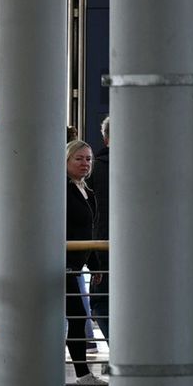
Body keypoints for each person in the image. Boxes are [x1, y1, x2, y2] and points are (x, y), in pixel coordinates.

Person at [64, 140, 109, 386]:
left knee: (78, 316)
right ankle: (82, 376)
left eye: (88, 159)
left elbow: (88, 232)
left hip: (76, 264)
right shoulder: (62, 190)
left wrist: (95, 265)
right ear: (66, 161)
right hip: (62, 264)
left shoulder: (86, 191)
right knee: (78, 316)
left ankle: (83, 376)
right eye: (79, 159)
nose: (85, 164)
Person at [88, 115, 111, 344]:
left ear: (105, 139)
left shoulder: (94, 169)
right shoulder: (149, 167)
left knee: (101, 301)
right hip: (143, 250)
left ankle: (119, 348)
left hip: (102, 245)